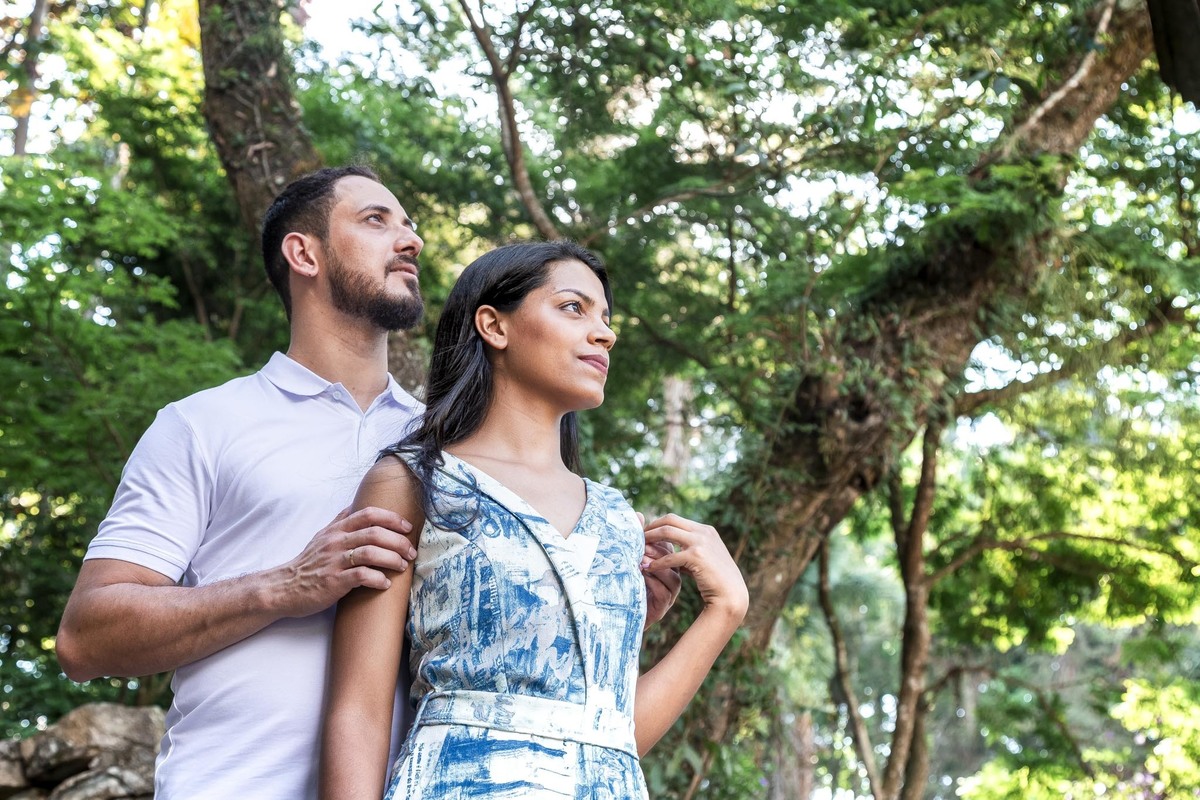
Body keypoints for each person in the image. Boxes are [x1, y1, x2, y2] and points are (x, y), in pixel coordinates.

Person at [55, 166, 682, 800]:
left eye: (410, 226)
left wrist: (590, 603)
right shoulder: (204, 424)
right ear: (304, 253)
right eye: (377, 220)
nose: (410, 240)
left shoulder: (452, 456)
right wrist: (283, 585)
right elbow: (86, 638)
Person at [320, 241, 748, 799]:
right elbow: (360, 712)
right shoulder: (413, 483)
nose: (604, 333)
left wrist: (725, 611)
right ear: (494, 326)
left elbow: (612, 736)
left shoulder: (619, 523)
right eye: (574, 308)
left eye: (606, 319)